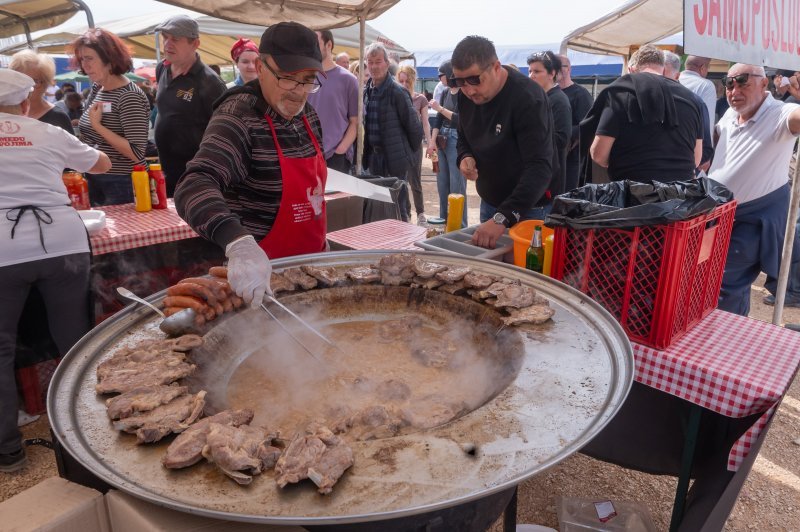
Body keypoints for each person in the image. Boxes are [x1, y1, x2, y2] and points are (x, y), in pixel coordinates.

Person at [0, 69, 111, 473]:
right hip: (60, 241)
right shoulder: (45, 131)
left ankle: (9, 450)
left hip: (2, 250)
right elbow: (100, 163)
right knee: (75, 339)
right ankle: (93, 432)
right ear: (26, 103)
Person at [175, 21, 327, 308]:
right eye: (287, 78)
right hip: (260, 284)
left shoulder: (308, 114)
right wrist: (237, 243)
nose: (298, 91)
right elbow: (194, 183)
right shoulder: (238, 116)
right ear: (260, 67)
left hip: (310, 271)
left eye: (308, 79)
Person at [709, 64, 800, 315]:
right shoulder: (730, 113)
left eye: (743, 82)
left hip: (752, 218)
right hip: (718, 214)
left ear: (764, 84)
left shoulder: (782, 112)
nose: (734, 90)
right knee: (709, 278)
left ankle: (726, 340)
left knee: (726, 284)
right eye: (729, 83)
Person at [452, 35, 553, 249]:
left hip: (530, 208)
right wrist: (465, 156)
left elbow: (540, 167)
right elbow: (463, 135)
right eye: (459, 82)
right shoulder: (465, 95)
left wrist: (502, 217)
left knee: (524, 278)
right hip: (489, 201)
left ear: (496, 67)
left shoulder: (527, 98)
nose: (468, 90)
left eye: (474, 79)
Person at [583, 45, 703, 184]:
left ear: (631, 70)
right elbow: (696, 158)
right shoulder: (692, 99)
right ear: (663, 69)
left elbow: (599, 154)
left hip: (633, 197)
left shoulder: (620, 93)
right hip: (681, 198)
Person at [69, 28, 151, 206]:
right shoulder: (98, 89)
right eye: (82, 59)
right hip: (95, 176)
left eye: (89, 58)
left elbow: (137, 153)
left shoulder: (129, 95)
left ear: (109, 59)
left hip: (122, 181)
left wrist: (98, 126)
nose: (85, 66)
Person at [154, 15, 227, 196]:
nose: (167, 44)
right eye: (165, 38)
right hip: (166, 170)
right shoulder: (162, 69)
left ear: (195, 44)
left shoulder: (210, 83)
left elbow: (224, 133)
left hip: (196, 176)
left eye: (175, 39)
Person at [361, 42, 423, 222]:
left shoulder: (398, 92)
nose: (373, 66)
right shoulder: (367, 91)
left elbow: (415, 130)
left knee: (398, 206)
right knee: (378, 205)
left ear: (387, 64)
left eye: (378, 61)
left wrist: (406, 156)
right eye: (370, 62)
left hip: (394, 160)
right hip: (373, 158)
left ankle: (403, 248)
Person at [307, 29, 359, 174]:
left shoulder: (348, 80)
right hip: (308, 155)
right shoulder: (305, 78)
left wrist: (340, 150)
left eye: (315, 43)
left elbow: (355, 122)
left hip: (336, 158)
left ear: (329, 44)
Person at [428, 60, 467, 227]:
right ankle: (443, 224)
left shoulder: (464, 93)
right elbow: (438, 120)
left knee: (457, 187)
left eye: (441, 74)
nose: (439, 78)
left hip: (455, 139)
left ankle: (460, 226)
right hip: (442, 138)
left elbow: (460, 120)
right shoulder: (444, 92)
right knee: (442, 184)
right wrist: (431, 141)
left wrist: (440, 109)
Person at [527, 50, 570, 197]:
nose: (531, 75)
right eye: (530, 71)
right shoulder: (536, 98)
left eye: (537, 71)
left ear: (552, 73)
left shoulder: (559, 100)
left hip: (548, 180)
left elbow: (561, 139)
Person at [663, 50, 713, 172]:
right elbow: (707, 126)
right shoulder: (706, 86)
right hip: (689, 157)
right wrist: (706, 156)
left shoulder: (666, 82)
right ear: (702, 68)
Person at [396, 64, 431, 223]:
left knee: (415, 180)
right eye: (401, 81)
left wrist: (430, 144)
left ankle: (421, 213)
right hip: (399, 145)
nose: (404, 84)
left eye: (407, 81)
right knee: (401, 181)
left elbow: (425, 123)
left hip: (414, 145)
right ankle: (406, 213)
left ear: (413, 80)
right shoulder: (396, 97)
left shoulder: (420, 99)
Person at [9, 51, 73, 134]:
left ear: (46, 83)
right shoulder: (4, 113)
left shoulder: (58, 117)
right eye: (20, 79)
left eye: (34, 81)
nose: (26, 86)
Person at [557, 53, 593, 190]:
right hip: (553, 158)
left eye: (563, 66)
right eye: (556, 66)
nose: (559, 69)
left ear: (569, 69)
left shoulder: (581, 94)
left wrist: (562, 132)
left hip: (572, 160)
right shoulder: (549, 94)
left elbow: (588, 125)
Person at [679, 55, 717, 132]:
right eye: (708, 67)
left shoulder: (672, 80)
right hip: (692, 140)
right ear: (702, 67)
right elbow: (707, 122)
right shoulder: (706, 85)